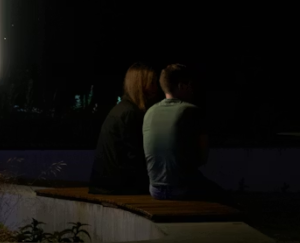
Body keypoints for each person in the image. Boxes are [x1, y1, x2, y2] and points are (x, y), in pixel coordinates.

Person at [143, 63, 228, 202]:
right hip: (181, 189)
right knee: (225, 198)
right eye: (189, 85)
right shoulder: (191, 111)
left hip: (155, 189)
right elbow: (202, 158)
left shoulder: (149, 113)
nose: (192, 89)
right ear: (181, 86)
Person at [88, 62, 160, 195]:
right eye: (152, 83)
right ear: (141, 85)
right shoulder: (131, 113)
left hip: (105, 184)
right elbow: (135, 157)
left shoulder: (122, 109)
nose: (156, 87)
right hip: (116, 188)